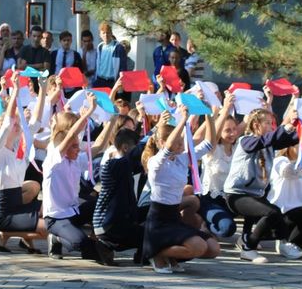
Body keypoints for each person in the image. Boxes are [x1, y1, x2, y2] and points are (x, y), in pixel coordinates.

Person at [141, 106, 219, 273]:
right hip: (158, 219)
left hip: (174, 216)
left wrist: (209, 114)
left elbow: (209, 144)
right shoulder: (155, 162)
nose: (180, 146)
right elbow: (168, 148)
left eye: (181, 142)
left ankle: (169, 255)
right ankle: (154, 252)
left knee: (213, 248)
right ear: (161, 143)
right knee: (198, 247)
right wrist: (183, 120)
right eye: (177, 142)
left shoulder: (182, 158)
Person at [42, 93, 117, 265]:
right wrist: (89, 111)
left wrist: (112, 119)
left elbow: (98, 146)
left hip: (73, 211)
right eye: (74, 147)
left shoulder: (76, 159)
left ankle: (97, 240)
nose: (78, 150)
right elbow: (69, 137)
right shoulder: (54, 158)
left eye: (78, 146)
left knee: (102, 205)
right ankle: (56, 238)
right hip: (56, 218)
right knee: (80, 243)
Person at [223, 102, 301, 264]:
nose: (271, 126)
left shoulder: (268, 144)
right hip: (237, 194)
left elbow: (289, 138)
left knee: (280, 222)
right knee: (271, 213)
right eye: (268, 123)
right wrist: (286, 126)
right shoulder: (246, 141)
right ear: (256, 125)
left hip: (256, 194)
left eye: (272, 123)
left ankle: (250, 239)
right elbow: (263, 141)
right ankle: (248, 248)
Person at [0, 73, 48, 251]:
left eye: (18, 122)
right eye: (14, 122)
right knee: (48, 228)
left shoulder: (19, 146)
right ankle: (5, 233)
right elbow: (7, 121)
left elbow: (35, 122)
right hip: (3, 212)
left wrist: (42, 89)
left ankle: (11, 235)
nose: (17, 124)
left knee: (56, 213)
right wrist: (14, 90)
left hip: (19, 205)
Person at [94, 128, 146, 258]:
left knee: (153, 211)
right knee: (151, 234)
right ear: (125, 148)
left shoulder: (125, 165)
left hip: (117, 219)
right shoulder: (113, 165)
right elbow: (138, 150)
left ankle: (141, 254)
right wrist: (155, 130)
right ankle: (106, 244)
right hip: (107, 225)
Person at [197, 92, 239, 240]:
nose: (233, 133)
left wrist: (266, 102)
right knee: (227, 229)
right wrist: (225, 109)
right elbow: (212, 137)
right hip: (210, 199)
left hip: (232, 199)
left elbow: (252, 121)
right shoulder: (213, 149)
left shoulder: (238, 148)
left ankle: (248, 239)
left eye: (234, 129)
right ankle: (204, 224)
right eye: (228, 130)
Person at [93, 22, 128, 89]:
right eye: (103, 33)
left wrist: (120, 82)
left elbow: (123, 68)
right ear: (100, 35)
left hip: (111, 82)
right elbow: (97, 65)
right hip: (100, 80)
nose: (106, 35)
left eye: (108, 32)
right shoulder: (99, 47)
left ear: (111, 33)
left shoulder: (118, 48)